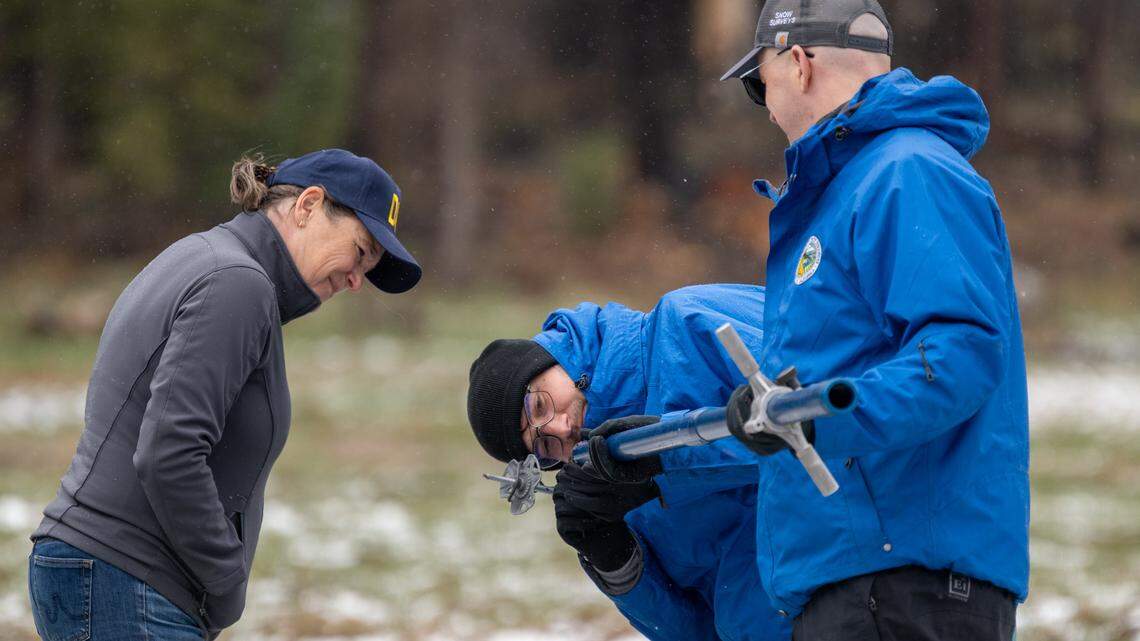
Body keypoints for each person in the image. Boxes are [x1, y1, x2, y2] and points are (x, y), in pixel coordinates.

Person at [718, 1, 1028, 639]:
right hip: (861, 584)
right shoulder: (851, 187)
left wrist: (812, 417)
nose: (767, 106)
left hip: (902, 589)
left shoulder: (905, 172)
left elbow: (960, 354)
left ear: (798, 64)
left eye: (760, 83)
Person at [28, 149, 422, 640]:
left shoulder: (207, 258)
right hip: (128, 581)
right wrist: (225, 577)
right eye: (360, 252)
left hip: (106, 574)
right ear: (308, 206)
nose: (356, 280)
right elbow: (167, 451)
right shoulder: (237, 285)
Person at [468, 284, 790, 640]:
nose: (561, 428)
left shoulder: (686, 323)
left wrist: (663, 461)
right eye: (544, 447)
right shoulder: (615, 501)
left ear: (550, 358)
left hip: (853, 581)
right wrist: (615, 561)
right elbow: (699, 631)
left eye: (541, 406)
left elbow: (824, 417)